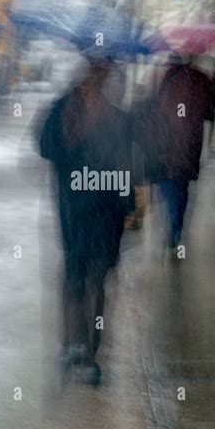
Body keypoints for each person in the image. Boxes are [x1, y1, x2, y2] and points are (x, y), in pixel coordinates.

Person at [39, 55, 134, 385]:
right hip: (91, 211)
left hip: (87, 210)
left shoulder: (76, 111)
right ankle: (81, 351)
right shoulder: (102, 116)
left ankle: (79, 349)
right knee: (86, 278)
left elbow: (44, 148)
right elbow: (126, 170)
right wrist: (129, 209)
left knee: (83, 278)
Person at [136, 56, 214, 250]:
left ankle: (171, 224)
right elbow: (208, 113)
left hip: (164, 144)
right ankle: (175, 228)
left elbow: (147, 108)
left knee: (167, 183)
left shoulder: (160, 75)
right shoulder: (201, 78)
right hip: (189, 145)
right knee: (181, 186)